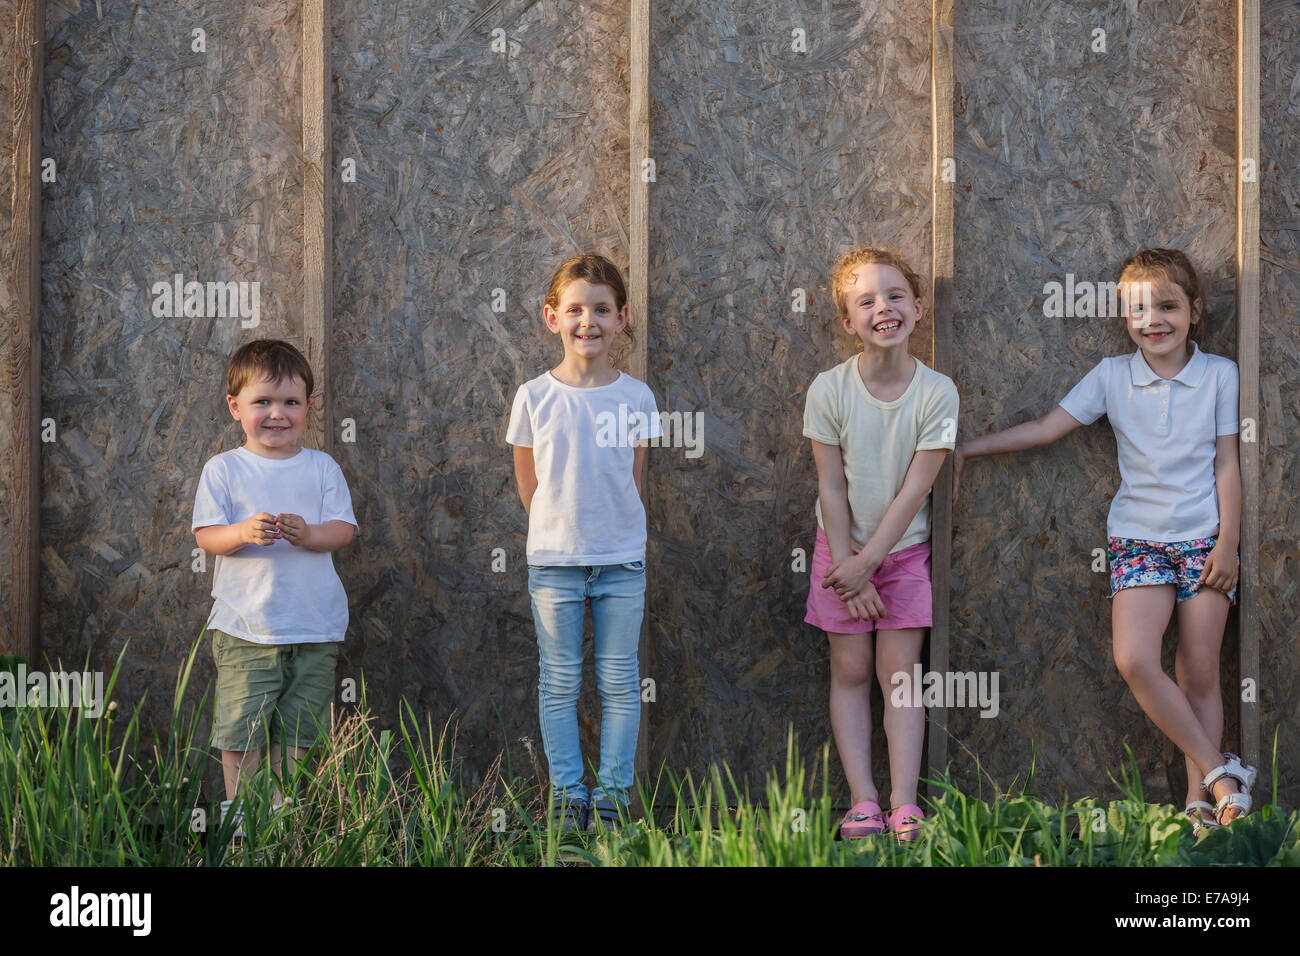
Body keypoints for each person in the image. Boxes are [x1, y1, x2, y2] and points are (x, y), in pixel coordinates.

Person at [954, 248, 1253, 834]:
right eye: (1139, 309)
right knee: (1134, 658)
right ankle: (1222, 773)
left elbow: (1226, 464)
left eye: (1167, 306)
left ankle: (1199, 805)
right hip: (1137, 540)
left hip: (1202, 542)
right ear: (1124, 318)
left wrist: (1228, 544)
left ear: (1194, 310)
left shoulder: (1219, 373)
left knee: (1199, 673)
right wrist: (967, 448)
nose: (1153, 320)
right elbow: (1046, 429)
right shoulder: (1113, 377)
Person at [803, 248, 958, 841]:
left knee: (900, 676)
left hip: (901, 554)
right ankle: (862, 801)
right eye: (864, 301)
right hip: (839, 553)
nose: (883, 308)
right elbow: (830, 483)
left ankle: (903, 803)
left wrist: (871, 564)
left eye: (894, 296)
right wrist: (848, 565)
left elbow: (917, 488)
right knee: (850, 670)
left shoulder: (938, 393)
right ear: (848, 323)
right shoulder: (829, 389)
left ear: (918, 309)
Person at [506, 255, 660, 832]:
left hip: (622, 561)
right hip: (556, 564)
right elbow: (530, 485)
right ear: (552, 318)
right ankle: (569, 799)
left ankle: (614, 802)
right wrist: (559, 534)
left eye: (601, 309)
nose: (587, 321)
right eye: (574, 309)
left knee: (620, 679)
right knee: (561, 680)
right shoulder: (534, 397)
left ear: (621, 319)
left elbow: (634, 481)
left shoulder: (637, 398)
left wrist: (616, 534)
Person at [192, 339, 358, 832]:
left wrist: (308, 533)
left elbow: (343, 530)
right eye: (262, 402)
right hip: (247, 629)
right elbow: (206, 535)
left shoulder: (322, 467)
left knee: (299, 733)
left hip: (313, 627)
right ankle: (244, 830)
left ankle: (281, 826)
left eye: (290, 402)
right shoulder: (224, 469)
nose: (277, 414)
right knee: (242, 731)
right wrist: (243, 532)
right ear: (235, 407)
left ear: (308, 407)